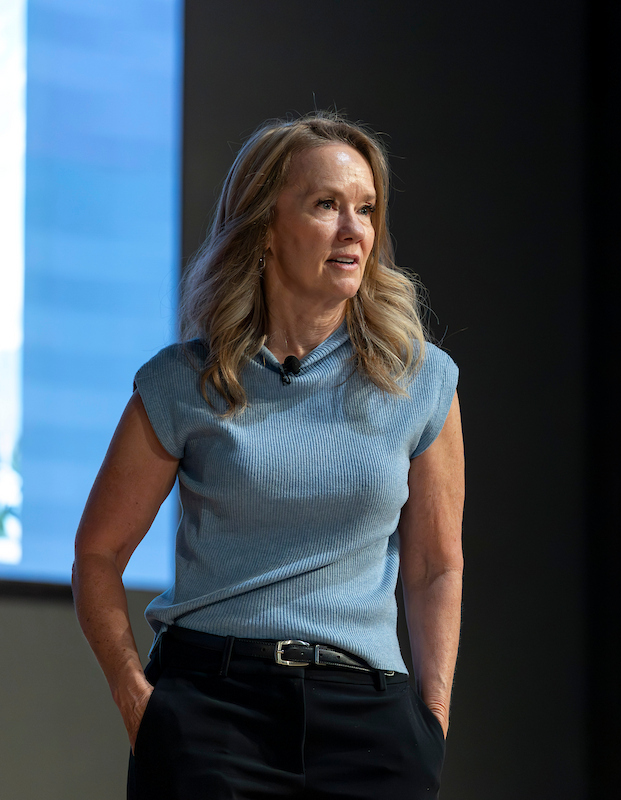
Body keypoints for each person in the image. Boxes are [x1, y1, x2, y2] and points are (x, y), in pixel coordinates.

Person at [71, 111, 464, 799]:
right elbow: (97, 555)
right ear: (265, 229)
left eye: (366, 210)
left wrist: (431, 720)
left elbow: (435, 566)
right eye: (326, 205)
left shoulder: (420, 379)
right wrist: (139, 704)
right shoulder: (184, 381)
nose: (354, 231)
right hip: (214, 714)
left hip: (368, 724)